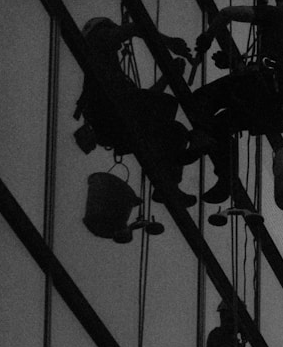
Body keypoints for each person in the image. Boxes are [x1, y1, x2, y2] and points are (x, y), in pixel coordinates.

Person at [187, 0, 283, 203]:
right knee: (222, 125)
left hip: (259, 87)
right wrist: (234, 63)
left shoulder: (278, 14)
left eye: (280, 1)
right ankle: (226, 180)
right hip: (270, 107)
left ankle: (200, 138)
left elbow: (227, 13)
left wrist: (207, 37)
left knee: (201, 99)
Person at [74, 16, 199, 205]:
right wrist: (167, 43)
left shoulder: (113, 72)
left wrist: (168, 77)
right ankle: (164, 161)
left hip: (116, 125)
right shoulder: (98, 45)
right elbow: (136, 27)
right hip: (108, 118)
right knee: (166, 106)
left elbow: (146, 101)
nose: (119, 44)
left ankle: (168, 186)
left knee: (176, 132)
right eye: (113, 33)